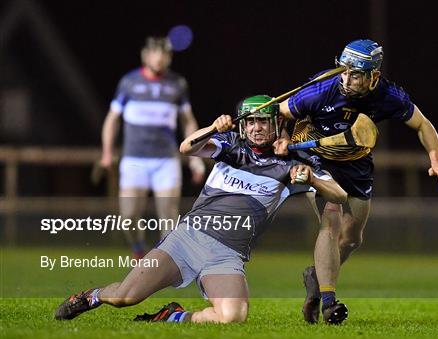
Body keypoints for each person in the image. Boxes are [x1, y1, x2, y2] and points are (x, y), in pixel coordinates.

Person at [55, 95, 347, 324]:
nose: (257, 128)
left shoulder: (291, 164)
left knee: (232, 317)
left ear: (277, 125)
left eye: (264, 122)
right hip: (186, 240)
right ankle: (91, 296)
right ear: (242, 125)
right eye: (251, 122)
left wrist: (310, 179)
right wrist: (213, 126)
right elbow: (187, 147)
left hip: (226, 254)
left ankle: (171, 316)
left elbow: (340, 194)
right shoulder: (231, 145)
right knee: (123, 297)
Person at [273, 39, 438, 324]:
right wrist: (284, 137)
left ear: (373, 76)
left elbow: (422, 124)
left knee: (352, 239)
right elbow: (281, 112)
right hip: (317, 158)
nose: (346, 79)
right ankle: (328, 302)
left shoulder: (388, 95)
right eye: (343, 71)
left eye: (355, 74)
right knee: (331, 217)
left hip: (356, 163)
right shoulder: (322, 89)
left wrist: (436, 159)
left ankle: (316, 276)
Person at [100, 37, 206, 259]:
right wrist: (107, 152)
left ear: (169, 57)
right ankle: (138, 249)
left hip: (166, 160)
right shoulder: (129, 82)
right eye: (155, 53)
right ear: (145, 55)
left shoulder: (177, 84)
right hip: (134, 160)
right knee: (128, 217)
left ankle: (164, 263)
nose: (159, 58)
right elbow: (112, 119)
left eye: (164, 54)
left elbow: (188, 122)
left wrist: (195, 157)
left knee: (168, 217)